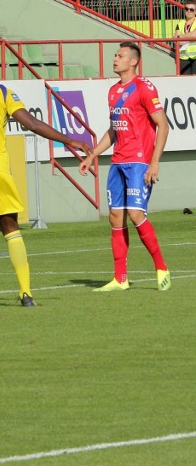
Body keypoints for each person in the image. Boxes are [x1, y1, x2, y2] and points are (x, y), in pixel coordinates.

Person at [0, 45, 92, 309]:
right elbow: (32, 124)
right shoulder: (3, 92)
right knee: (11, 229)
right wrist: (68, 139)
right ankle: (26, 294)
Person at [79, 42, 171, 292]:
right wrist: (92, 156)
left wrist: (154, 162)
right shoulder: (112, 91)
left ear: (133, 61)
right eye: (115, 55)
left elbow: (163, 125)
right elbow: (113, 130)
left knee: (135, 214)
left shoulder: (144, 88)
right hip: (118, 161)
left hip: (139, 162)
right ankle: (120, 278)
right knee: (115, 217)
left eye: (120, 55)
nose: (115, 58)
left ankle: (161, 268)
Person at [173, 1, 196, 75]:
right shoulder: (180, 24)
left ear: (195, 12)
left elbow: (194, 35)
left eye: (191, 9)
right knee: (185, 80)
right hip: (183, 57)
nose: (188, 11)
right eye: (186, 9)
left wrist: (181, 36)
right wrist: (190, 38)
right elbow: (176, 40)